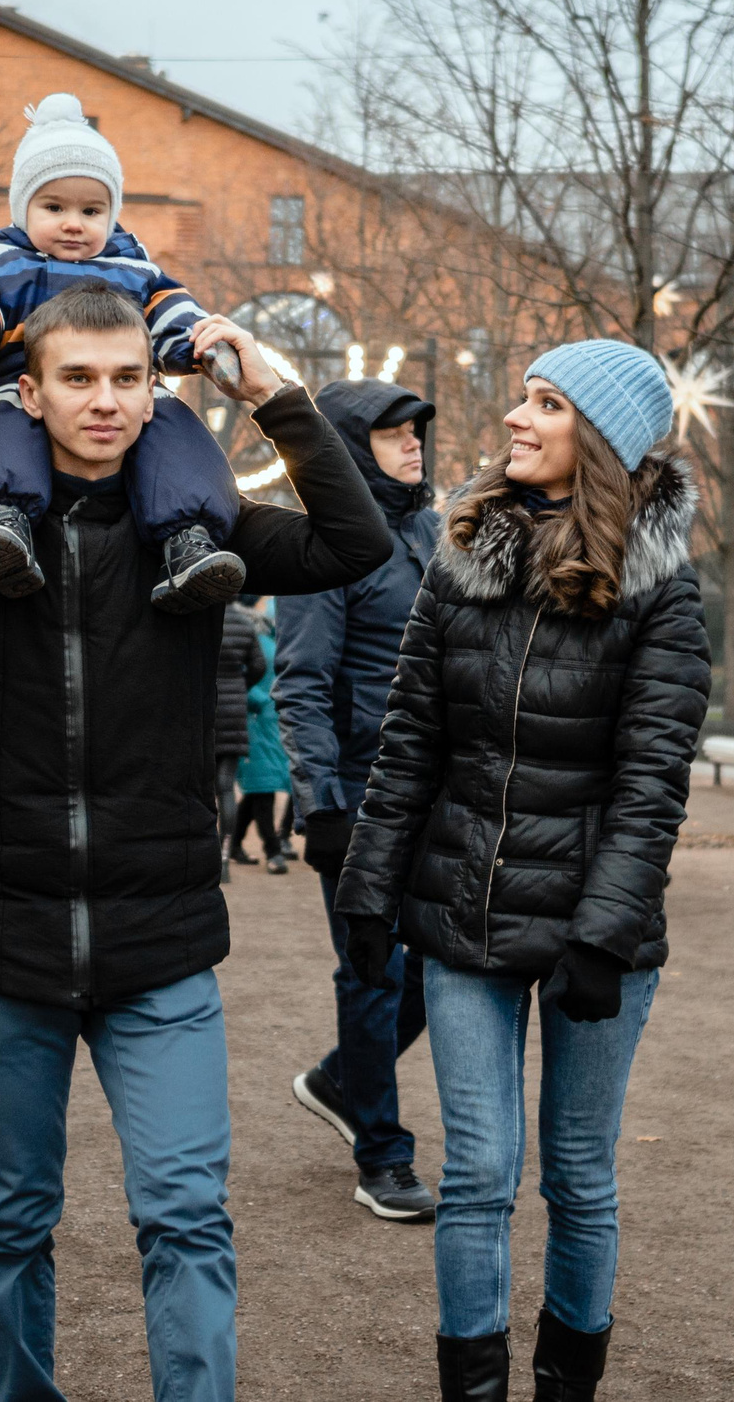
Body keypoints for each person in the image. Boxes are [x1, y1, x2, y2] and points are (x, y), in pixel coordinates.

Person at [0, 282, 389, 1402]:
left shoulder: (205, 534)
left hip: (161, 941)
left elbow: (354, 541)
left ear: (154, 395)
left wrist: (275, 394)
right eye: (79, 379)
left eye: (126, 380)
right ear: (36, 391)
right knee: (10, 1222)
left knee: (187, 1217)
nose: (105, 402)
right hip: (2, 936)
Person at [332, 342, 708, 1402]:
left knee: (579, 1178)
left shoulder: (659, 587)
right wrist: (368, 887)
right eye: (523, 397)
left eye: (546, 404)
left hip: (598, 927)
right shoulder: (464, 555)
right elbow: (410, 737)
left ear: (598, 436)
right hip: (464, 916)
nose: (515, 417)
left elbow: (651, 781)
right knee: (480, 1179)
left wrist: (603, 931)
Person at [0, 94, 246, 615]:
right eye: (54, 208)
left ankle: (188, 539)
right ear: (23, 208)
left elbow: (170, 306)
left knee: (175, 428)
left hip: (122, 383)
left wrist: (197, 345)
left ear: (111, 214)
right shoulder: (0, 259)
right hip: (14, 379)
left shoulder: (134, 268)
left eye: (91, 210)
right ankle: (1, 522)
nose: (73, 223)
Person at [274, 377, 444, 1224]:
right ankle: (381, 1154)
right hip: (362, 795)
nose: (413, 444)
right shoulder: (323, 542)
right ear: (347, 446)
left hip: (436, 790)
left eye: (417, 431)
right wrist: (322, 806)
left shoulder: (432, 526)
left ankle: (342, 1078)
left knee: (442, 961)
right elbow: (301, 680)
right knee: (374, 973)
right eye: (391, 434)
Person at [231, 596, 292, 873]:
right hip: (255, 718)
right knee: (262, 784)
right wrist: (260, 701)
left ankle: (235, 844)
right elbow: (240, 673)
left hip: (272, 719)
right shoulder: (249, 629)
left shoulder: (272, 630)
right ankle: (273, 849)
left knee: (259, 786)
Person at [215, 601, 258, 870]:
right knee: (226, 785)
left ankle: (205, 853)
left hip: (204, 708)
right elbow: (259, 666)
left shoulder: (201, 623)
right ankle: (224, 854)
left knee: (202, 787)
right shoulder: (245, 625)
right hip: (234, 711)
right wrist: (241, 685)